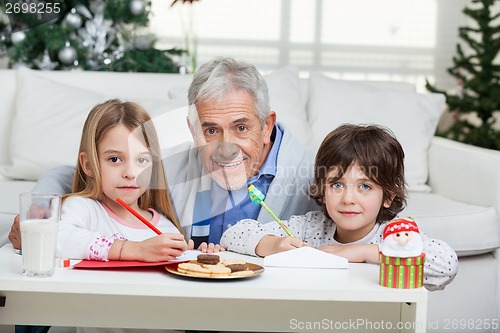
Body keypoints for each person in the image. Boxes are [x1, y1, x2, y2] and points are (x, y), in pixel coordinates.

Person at [9, 57, 319, 251]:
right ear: (192, 128)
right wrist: (41, 211)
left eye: (241, 128)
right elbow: (68, 173)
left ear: (266, 126)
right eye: (210, 130)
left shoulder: (315, 177)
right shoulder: (171, 167)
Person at [220, 124, 459, 291]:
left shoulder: (397, 236)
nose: (348, 198)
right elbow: (233, 233)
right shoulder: (309, 227)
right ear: (322, 189)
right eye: (336, 184)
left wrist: (365, 252)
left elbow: (446, 265)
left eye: (364, 186)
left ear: (388, 196)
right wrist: (273, 244)